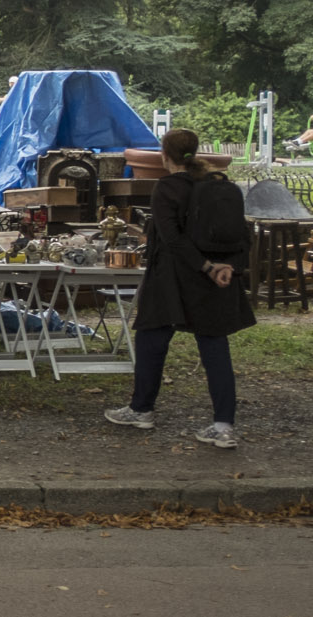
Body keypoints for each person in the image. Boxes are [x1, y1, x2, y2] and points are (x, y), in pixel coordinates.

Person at [104, 128, 254, 448]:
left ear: (165, 155)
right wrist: (227, 267)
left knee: (150, 338)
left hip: (172, 277)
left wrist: (204, 266)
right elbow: (241, 232)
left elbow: (172, 240)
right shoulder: (216, 186)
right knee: (215, 348)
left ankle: (142, 408)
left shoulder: (168, 187)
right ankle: (224, 425)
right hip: (214, 281)